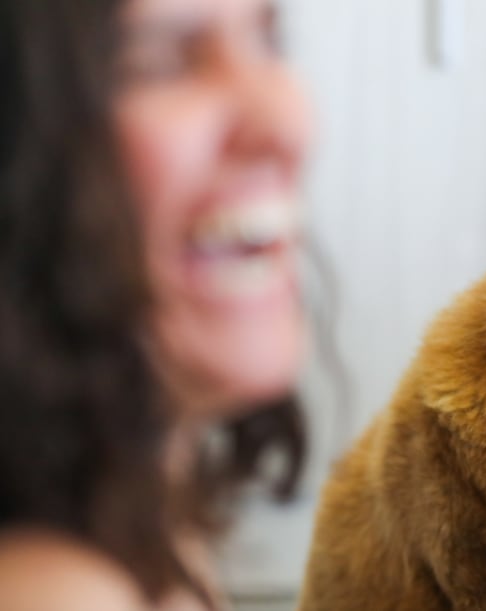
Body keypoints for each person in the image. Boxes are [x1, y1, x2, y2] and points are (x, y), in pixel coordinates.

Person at [0, 0, 311, 608]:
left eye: (267, 39)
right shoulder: (56, 592)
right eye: (159, 60)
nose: (287, 119)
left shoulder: (140, 533)